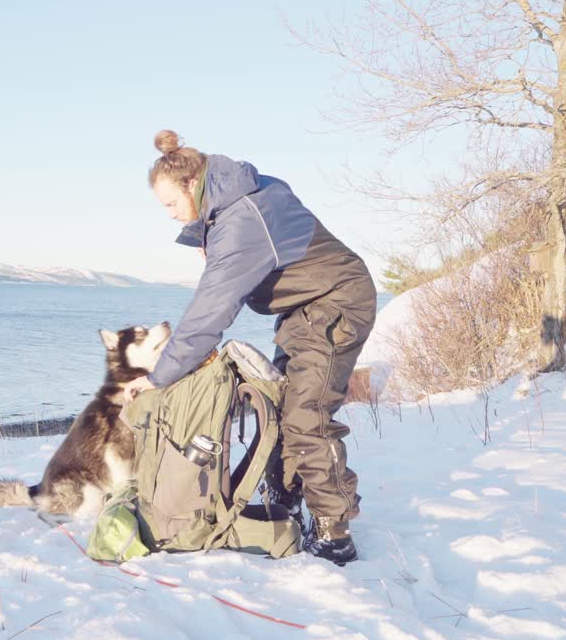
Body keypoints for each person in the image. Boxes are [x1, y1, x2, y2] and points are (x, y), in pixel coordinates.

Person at [123, 130, 377, 566]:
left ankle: (335, 532)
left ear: (191, 184)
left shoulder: (240, 221)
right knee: (283, 405)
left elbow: (209, 311)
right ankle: (287, 500)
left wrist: (160, 375)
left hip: (337, 301)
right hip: (306, 306)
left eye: (169, 204)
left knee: (306, 414)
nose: (168, 216)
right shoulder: (238, 199)